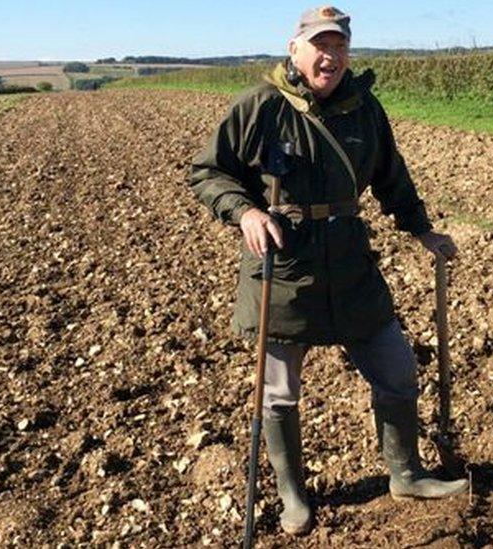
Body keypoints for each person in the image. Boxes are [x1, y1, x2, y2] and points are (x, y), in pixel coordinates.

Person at [190, 5, 467, 536]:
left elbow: (392, 177)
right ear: (294, 49)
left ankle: (406, 473)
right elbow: (208, 172)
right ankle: (294, 495)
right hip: (284, 265)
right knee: (277, 392)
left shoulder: (364, 109)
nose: (330, 55)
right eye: (320, 44)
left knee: (397, 369)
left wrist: (421, 230)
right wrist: (245, 210)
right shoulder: (261, 106)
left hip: (348, 262)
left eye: (339, 46)